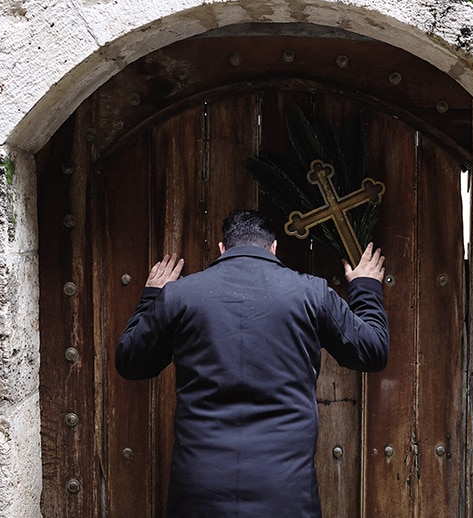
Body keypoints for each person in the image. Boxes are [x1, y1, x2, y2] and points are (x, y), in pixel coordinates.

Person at [116, 209, 389, 517]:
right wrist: (365, 287)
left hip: (200, 492)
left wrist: (153, 295)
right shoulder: (312, 292)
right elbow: (373, 350)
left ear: (222, 249)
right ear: (273, 248)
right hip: (285, 492)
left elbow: (131, 361)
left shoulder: (179, 295)